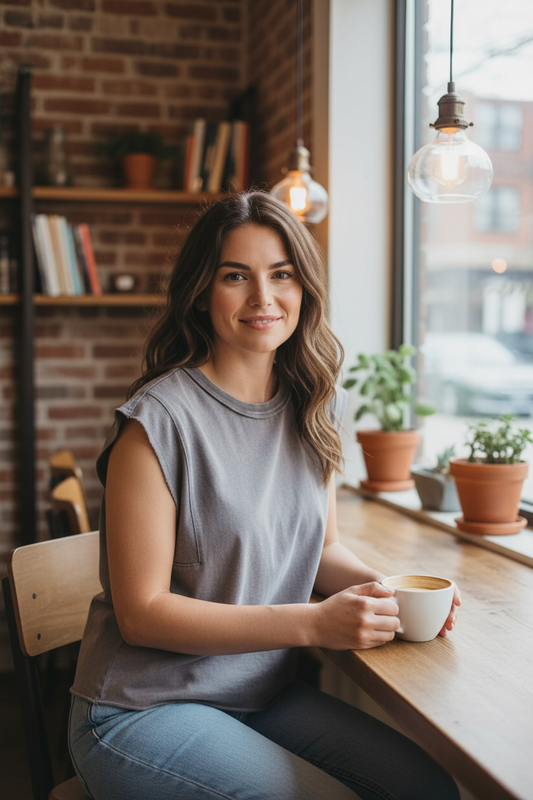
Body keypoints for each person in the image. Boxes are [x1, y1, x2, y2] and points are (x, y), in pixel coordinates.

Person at [69, 190, 461, 800]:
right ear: (202, 293)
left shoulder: (315, 406)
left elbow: (322, 550)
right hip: (141, 707)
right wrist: (314, 623)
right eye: (236, 276)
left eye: (281, 274)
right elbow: (141, 614)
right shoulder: (157, 423)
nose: (262, 297)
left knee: (427, 788)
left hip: (256, 695)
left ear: (304, 288)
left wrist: (392, 593)